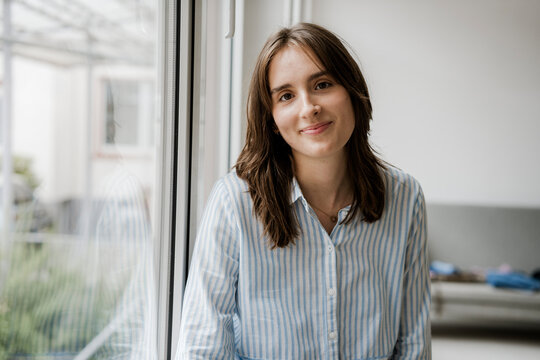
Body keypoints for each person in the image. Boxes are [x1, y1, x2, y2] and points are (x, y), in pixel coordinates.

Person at [177, 23, 430, 359]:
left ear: (352, 91)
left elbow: (413, 342)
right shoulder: (234, 203)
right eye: (286, 96)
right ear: (272, 119)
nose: (308, 107)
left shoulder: (405, 198)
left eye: (322, 84)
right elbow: (203, 346)